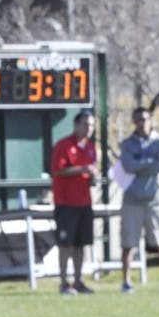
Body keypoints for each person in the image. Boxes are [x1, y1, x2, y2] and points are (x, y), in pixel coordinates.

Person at [118, 107, 159, 294]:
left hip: (154, 199)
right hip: (132, 200)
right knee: (128, 243)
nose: (142, 123)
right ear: (134, 122)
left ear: (151, 120)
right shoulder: (127, 143)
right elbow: (127, 166)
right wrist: (149, 163)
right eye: (138, 119)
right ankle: (126, 282)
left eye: (145, 119)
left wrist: (141, 165)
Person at [50, 108, 99, 295]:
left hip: (84, 202)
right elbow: (57, 170)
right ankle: (64, 283)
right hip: (66, 203)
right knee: (65, 244)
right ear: (76, 125)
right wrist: (81, 169)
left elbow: (90, 171)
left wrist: (92, 175)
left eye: (92, 125)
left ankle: (79, 281)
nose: (89, 128)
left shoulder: (91, 148)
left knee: (81, 243)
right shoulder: (64, 145)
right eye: (86, 124)